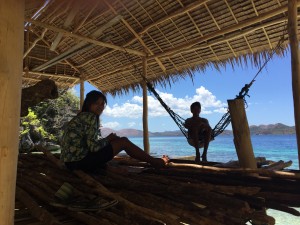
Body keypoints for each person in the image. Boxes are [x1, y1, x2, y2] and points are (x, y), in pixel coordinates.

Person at [60, 90, 169, 173]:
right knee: (124, 141)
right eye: (97, 103)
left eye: (102, 104)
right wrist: (108, 139)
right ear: (89, 104)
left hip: (71, 163)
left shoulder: (81, 117)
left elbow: (89, 144)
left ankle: (150, 160)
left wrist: (109, 140)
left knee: (118, 141)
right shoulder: (90, 117)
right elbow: (93, 148)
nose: (100, 107)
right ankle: (156, 162)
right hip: (80, 163)